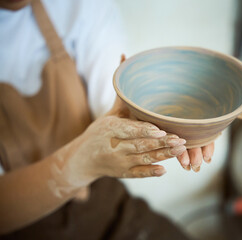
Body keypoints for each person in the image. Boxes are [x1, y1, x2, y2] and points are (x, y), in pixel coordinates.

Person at [0, 0, 217, 239]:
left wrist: (150, 116)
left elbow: (114, 106)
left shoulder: (78, 5)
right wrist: (79, 164)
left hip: (106, 204)